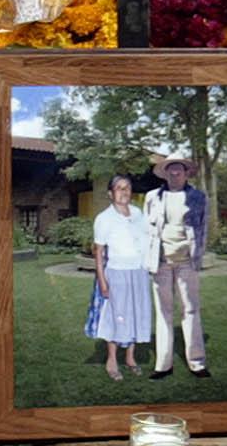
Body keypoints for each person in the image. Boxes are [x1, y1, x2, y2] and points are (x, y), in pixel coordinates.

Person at [142, 153, 210, 379]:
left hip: (186, 263)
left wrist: (197, 256)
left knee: (190, 310)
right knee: (163, 312)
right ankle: (163, 365)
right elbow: (146, 231)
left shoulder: (198, 197)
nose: (174, 172)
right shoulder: (152, 197)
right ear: (165, 173)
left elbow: (203, 229)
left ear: (186, 173)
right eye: (170, 169)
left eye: (179, 168)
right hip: (160, 262)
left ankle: (197, 363)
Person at [86, 173, 153, 380]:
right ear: (110, 193)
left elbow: (147, 240)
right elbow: (98, 252)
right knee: (116, 317)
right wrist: (103, 281)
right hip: (116, 273)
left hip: (139, 273)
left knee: (134, 314)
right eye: (119, 188)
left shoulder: (138, 213)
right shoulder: (104, 219)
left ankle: (130, 358)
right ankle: (112, 360)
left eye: (127, 187)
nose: (124, 192)